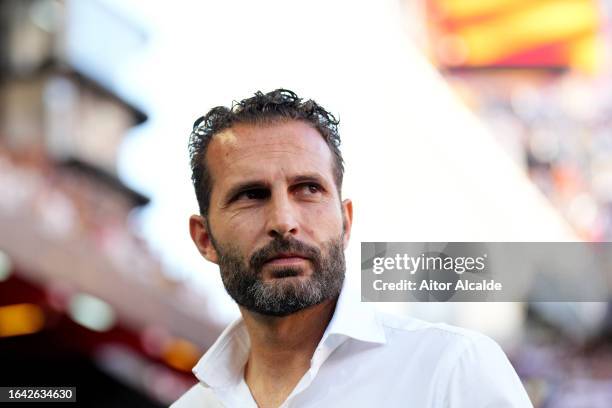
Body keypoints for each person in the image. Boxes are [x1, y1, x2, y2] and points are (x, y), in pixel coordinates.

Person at [171, 89, 533, 407]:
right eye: (251, 195)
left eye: (308, 189)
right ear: (204, 238)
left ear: (346, 222)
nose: (283, 220)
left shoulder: (451, 368)